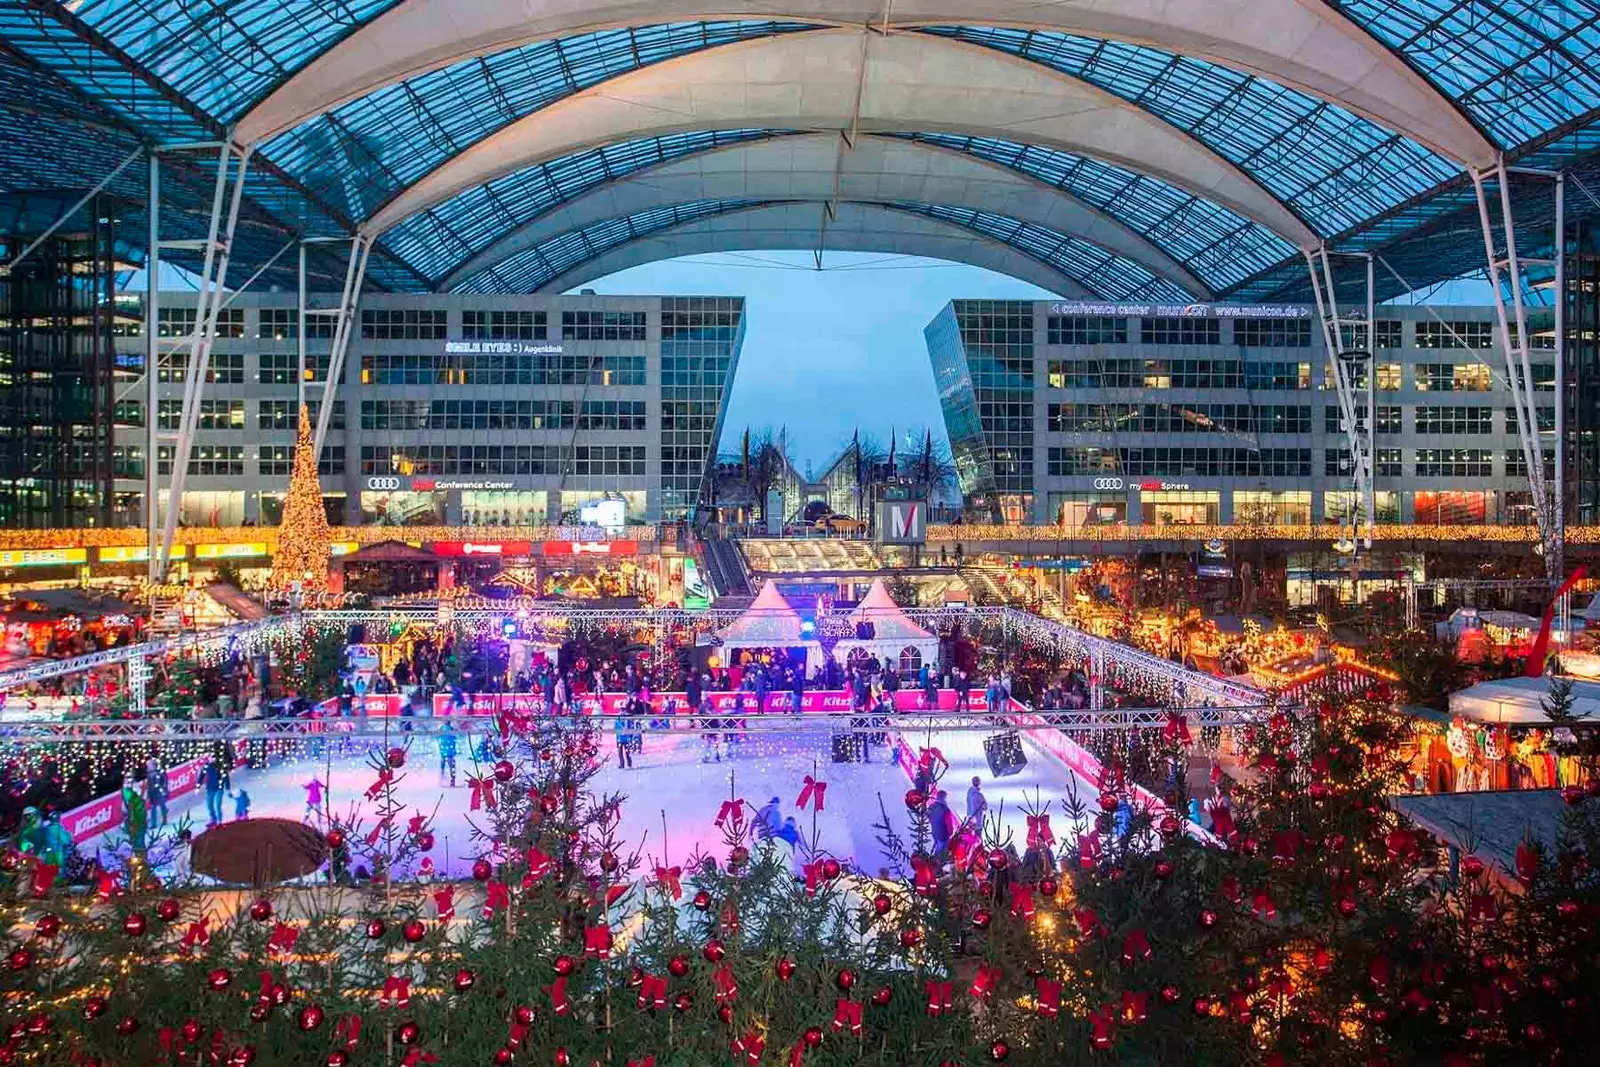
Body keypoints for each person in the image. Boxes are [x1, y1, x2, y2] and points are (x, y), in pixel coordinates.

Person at [122, 780, 148, 853]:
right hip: (136, 824)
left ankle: (141, 855)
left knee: (140, 841)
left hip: (139, 823)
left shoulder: (136, 800)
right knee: (138, 842)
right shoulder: (131, 802)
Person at [927, 789, 955, 857]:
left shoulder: (931, 806)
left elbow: (928, 817)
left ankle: (932, 862)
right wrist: (950, 832)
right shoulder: (945, 809)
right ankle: (934, 864)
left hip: (934, 832)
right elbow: (949, 823)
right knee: (941, 852)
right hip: (943, 834)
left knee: (938, 847)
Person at [201, 758, 226, 826]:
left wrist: (228, 787)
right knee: (209, 805)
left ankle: (220, 820)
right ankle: (213, 819)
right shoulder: (206, 766)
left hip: (219, 788)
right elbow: (201, 775)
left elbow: (225, 776)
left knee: (218, 805)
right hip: (210, 788)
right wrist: (198, 786)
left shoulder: (220, 765)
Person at [145, 761, 169, 827]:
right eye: (148, 765)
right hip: (153, 793)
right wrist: (148, 795)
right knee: (153, 808)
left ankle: (164, 820)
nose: (148, 767)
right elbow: (149, 786)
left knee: (162, 806)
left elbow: (165, 781)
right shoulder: (149, 774)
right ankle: (153, 823)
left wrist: (163, 789)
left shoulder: (160, 772)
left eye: (150, 765)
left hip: (160, 792)